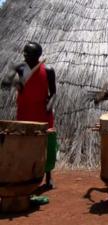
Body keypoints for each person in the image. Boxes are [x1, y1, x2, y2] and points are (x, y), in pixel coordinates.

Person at [1, 41, 57, 190]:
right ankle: (28, 174)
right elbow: (5, 85)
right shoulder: (20, 68)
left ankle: (48, 176)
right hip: (25, 111)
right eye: (24, 52)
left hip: (42, 112)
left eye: (28, 53)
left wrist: (49, 105)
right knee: (25, 142)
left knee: (45, 143)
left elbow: (53, 93)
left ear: (37, 55)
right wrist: (13, 81)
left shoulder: (49, 70)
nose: (24, 55)